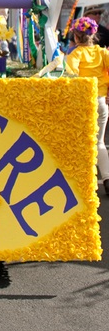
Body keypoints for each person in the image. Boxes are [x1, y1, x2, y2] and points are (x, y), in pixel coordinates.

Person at [65, 16, 109, 196]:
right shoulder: (103, 53)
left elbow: (70, 76)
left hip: (84, 102)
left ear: (76, 36)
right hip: (101, 102)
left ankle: (83, 183)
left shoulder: (75, 54)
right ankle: (106, 178)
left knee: (81, 142)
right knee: (99, 143)